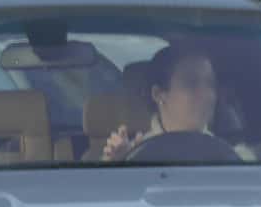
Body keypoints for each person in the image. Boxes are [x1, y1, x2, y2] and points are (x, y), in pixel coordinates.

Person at [103, 44, 247, 162]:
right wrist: (120, 164)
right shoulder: (133, 155)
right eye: (191, 83)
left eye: (210, 84)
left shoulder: (234, 156)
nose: (207, 94)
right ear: (158, 94)